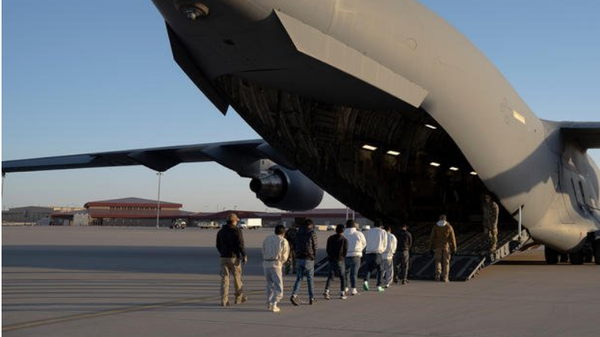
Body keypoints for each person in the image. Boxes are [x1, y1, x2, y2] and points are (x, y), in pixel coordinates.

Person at [216, 213, 248, 306]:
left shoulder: (221, 231)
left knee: (225, 279)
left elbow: (217, 245)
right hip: (234, 258)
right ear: (234, 221)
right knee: (237, 278)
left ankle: (224, 300)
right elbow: (240, 244)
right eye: (236, 221)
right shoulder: (237, 231)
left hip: (223, 257)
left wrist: (222, 252)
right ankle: (238, 298)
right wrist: (244, 255)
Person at [262, 224, 290, 313]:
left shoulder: (267, 239)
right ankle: (275, 303)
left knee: (269, 284)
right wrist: (281, 262)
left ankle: (268, 302)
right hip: (276, 264)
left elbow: (263, 250)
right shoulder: (283, 241)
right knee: (278, 285)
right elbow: (285, 256)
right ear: (283, 232)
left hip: (266, 263)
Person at [290, 219, 318, 305]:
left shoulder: (297, 233)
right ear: (311, 225)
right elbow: (315, 246)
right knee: (310, 279)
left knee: (299, 278)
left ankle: (294, 295)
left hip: (299, 257)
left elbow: (294, 245)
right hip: (308, 258)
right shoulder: (312, 233)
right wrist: (313, 256)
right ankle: (311, 298)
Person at [428, 214, 457, 282]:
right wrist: (454, 248)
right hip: (446, 246)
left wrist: (430, 248)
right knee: (446, 262)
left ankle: (437, 276)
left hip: (438, 246)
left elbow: (431, 238)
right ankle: (445, 278)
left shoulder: (435, 227)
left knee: (438, 261)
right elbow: (453, 238)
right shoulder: (449, 227)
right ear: (445, 219)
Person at [324, 224, 348, 300]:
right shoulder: (344, 240)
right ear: (343, 231)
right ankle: (342, 293)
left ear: (336, 230)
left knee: (330, 276)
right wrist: (342, 257)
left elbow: (327, 249)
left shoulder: (330, 238)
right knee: (342, 277)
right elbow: (345, 251)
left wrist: (330, 255)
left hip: (331, 259)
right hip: (340, 260)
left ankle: (326, 291)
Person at [363, 219, 388, 292]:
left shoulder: (368, 231)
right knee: (380, 270)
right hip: (377, 253)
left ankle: (365, 281)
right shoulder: (383, 232)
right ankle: (379, 286)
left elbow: (365, 241)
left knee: (368, 269)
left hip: (368, 252)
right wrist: (381, 251)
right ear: (381, 225)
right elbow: (385, 243)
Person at [344, 219, 366, 296]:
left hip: (345, 256)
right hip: (356, 255)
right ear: (354, 226)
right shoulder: (359, 234)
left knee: (346, 273)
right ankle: (353, 289)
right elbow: (364, 244)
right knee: (354, 273)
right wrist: (359, 250)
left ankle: (345, 287)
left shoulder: (343, 234)